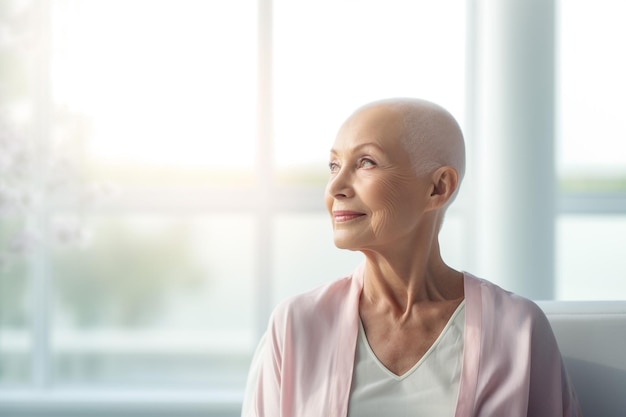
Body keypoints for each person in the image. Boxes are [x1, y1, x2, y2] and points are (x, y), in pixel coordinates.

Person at [241, 98, 582, 416]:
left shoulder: (518, 330)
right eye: (334, 165)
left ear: (438, 188)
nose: (335, 188)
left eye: (365, 163)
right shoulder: (296, 325)